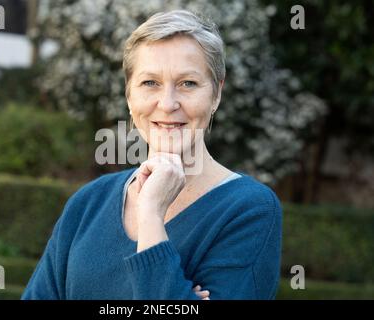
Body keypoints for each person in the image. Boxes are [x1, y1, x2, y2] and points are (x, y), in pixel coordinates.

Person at [22, 9, 282, 300]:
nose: (168, 103)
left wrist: (151, 215)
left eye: (188, 83)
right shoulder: (87, 203)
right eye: (150, 83)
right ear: (129, 96)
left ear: (216, 94)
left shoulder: (249, 210)